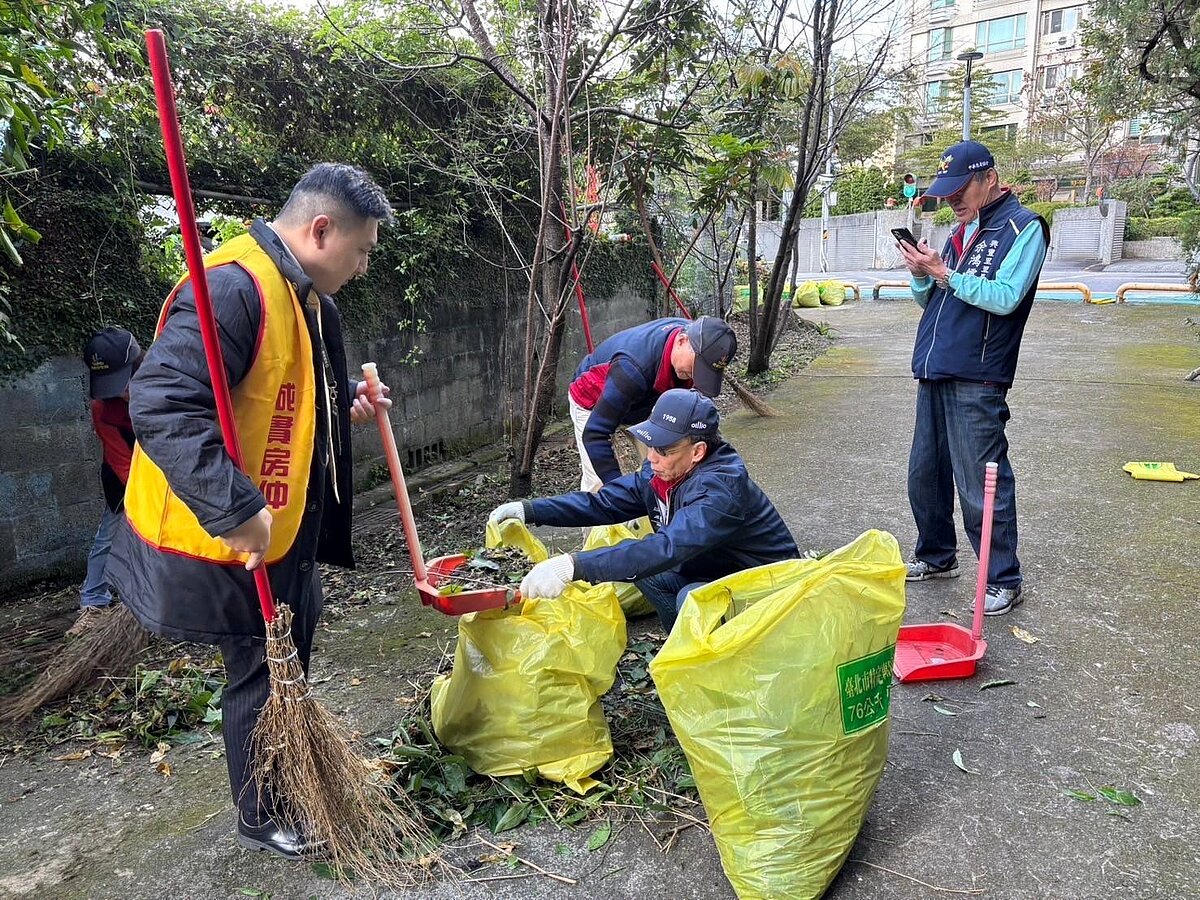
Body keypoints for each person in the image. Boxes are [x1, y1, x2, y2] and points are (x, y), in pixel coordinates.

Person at [106, 163, 394, 859]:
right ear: (321, 230)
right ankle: (261, 813)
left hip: (282, 525)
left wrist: (344, 404)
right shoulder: (233, 290)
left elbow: (284, 392)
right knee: (261, 672)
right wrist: (237, 509)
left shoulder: (307, 297)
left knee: (286, 655)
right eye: (362, 251)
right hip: (231, 535)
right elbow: (163, 403)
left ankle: (285, 783)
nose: (362, 267)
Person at [489, 388, 798, 631]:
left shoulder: (720, 491)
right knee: (645, 573)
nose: (651, 457)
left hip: (771, 587)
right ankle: (685, 653)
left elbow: (666, 547)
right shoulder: (662, 471)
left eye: (664, 450)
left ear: (698, 452)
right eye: (651, 445)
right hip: (718, 569)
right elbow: (604, 503)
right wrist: (530, 510)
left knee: (690, 598)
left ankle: (722, 667)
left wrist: (572, 565)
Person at [894, 140, 1049, 616]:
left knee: (982, 482)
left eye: (961, 189)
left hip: (978, 375)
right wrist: (924, 274)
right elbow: (935, 300)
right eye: (947, 193)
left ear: (989, 178)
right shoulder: (960, 232)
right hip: (935, 367)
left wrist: (945, 274)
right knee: (926, 474)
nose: (954, 201)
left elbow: (1005, 297)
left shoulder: (1024, 228)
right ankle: (937, 556)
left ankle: (1003, 578)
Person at [569, 316, 737, 491]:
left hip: (645, 400)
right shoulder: (632, 369)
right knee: (599, 486)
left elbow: (700, 426)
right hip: (592, 401)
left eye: (705, 372)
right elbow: (595, 434)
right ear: (681, 340)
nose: (697, 377)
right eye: (697, 367)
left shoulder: (699, 341)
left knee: (665, 464)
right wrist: (617, 492)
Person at [71, 327, 143, 637]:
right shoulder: (103, 407)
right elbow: (119, 458)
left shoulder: (164, 384)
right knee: (110, 535)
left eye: (123, 382)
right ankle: (93, 601)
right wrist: (142, 495)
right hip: (123, 476)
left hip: (168, 469)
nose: (120, 392)